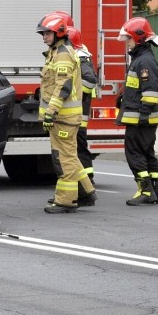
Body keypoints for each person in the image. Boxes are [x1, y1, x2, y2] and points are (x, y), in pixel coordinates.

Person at [36, 13, 97, 213]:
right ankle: (86, 191)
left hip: (63, 117)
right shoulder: (56, 51)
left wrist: (50, 112)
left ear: (58, 33)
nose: (43, 37)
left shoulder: (62, 54)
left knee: (64, 158)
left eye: (46, 33)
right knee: (69, 155)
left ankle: (66, 200)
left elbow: (63, 86)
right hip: (62, 117)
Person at [116, 17, 158, 205]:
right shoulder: (142, 59)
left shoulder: (143, 62)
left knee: (135, 153)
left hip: (140, 119)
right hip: (142, 118)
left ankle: (146, 191)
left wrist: (144, 115)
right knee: (147, 153)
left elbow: (151, 92)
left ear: (138, 38)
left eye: (128, 39)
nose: (127, 43)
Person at [68, 26, 98, 205]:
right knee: (77, 148)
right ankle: (85, 185)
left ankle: (87, 185)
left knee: (79, 149)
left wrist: (72, 90)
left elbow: (89, 82)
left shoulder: (80, 57)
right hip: (77, 110)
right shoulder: (78, 54)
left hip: (78, 112)